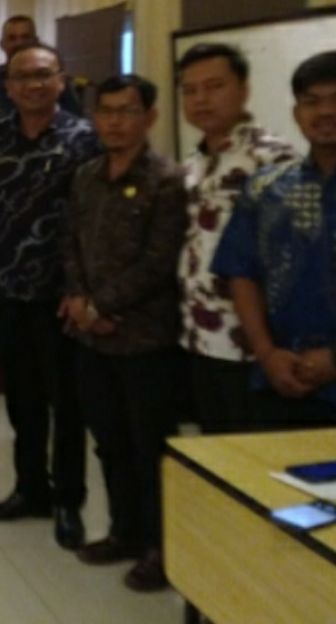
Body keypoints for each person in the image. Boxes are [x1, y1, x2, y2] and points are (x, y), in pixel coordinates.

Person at [0, 42, 98, 549]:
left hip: (60, 295)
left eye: (43, 75)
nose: (33, 85)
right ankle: (30, 488)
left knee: (67, 404)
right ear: (8, 86)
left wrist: (81, 287)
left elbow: (94, 220)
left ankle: (68, 500)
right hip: (7, 291)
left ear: (61, 80)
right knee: (22, 401)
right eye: (23, 77)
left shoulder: (83, 138)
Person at [63, 74, 187, 592]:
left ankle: (163, 548)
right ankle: (124, 532)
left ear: (149, 117)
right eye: (106, 111)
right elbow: (72, 243)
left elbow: (159, 262)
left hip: (144, 339)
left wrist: (99, 306)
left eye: (126, 111)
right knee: (110, 442)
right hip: (92, 338)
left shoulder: (167, 180)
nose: (114, 121)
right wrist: (79, 300)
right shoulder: (87, 175)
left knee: (149, 447)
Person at [212, 50, 336, 429]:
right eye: (312, 101)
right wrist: (267, 353)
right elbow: (242, 273)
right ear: (297, 113)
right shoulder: (265, 187)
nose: (325, 111)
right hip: (280, 379)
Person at [177, 43, 294, 433]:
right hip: (197, 339)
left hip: (251, 345)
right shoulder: (191, 164)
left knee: (252, 454)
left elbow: (290, 256)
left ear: (243, 90)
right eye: (190, 90)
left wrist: (269, 347)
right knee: (212, 452)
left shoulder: (273, 159)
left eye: (214, 86)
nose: (201, 99)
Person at [0, 15, 82, 117]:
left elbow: (74, 115)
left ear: (35, 41)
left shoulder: (53, 76)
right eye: (12, 38)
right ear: (2, 44)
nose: (19, 43)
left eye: (25, 37)